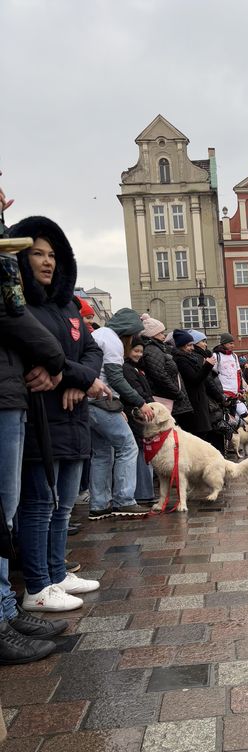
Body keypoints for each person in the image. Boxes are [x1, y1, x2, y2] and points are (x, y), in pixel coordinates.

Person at [9, 216, 105, 611]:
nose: (47, 262)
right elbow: (39, 356)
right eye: (37, 254)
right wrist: (75, 374)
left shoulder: (67, 307)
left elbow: (92, 353)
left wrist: (71, 377)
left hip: (72, 415)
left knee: (63, 505)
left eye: (52, 255)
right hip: (40, 418)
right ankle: (37, 585)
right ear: (19, 256)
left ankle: (56, 571)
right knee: (38, 505)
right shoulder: (20, 305)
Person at [0, 200, 70, 659]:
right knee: (12, 509)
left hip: (13, 393)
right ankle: (10, 607)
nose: (47, 261)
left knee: (9, 511)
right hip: (9, 392)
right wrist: (57, 361)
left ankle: (5, 607)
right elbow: (13, 314)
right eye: (38, 253)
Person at [89, 308, 153, 519]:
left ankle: (99, 505)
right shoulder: (114, 341)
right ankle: (124, 500)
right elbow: (115, 378)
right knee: (128, 447)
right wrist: (139, 402)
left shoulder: (98, 335)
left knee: (101, 454)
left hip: (89, 403)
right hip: (101, 401)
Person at [122, 336, 156, 504]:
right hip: (136, 413)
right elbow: (137, 391)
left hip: (142, 411)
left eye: (141, 352)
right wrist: (148, 403)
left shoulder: (136, 369)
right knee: (141, 450)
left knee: (143, 450)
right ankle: (143, 492)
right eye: (136, 351)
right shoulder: (128, 369)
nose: (139, 354)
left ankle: (145, 491)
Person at [171, 329, 216, 438]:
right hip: (194, 401)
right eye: (189, 345)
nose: (192, 348)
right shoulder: (181, 360)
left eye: (192, 345)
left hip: (198, 399)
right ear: (181, 346)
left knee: (202, 432)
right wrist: (207, 366)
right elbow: (195, 379)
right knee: (197, 433)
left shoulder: (189, 358)